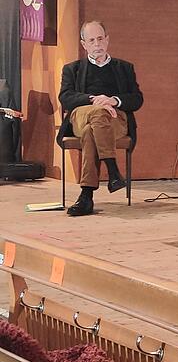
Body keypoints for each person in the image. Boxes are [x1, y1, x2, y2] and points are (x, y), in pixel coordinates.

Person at [57, 21, 143, 216]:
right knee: (97, 113)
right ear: (84, 44)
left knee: (91, 131)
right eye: (92, 40)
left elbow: (137, 99)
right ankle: (112, 169)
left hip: (115, 119)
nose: (97, 44)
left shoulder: (124, 68)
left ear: (107, 40)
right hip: (82, 114)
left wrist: (113, 100)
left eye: (100, 38)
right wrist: (94, 100)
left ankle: (86, 196)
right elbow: (65, 97)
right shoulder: (73, 69)